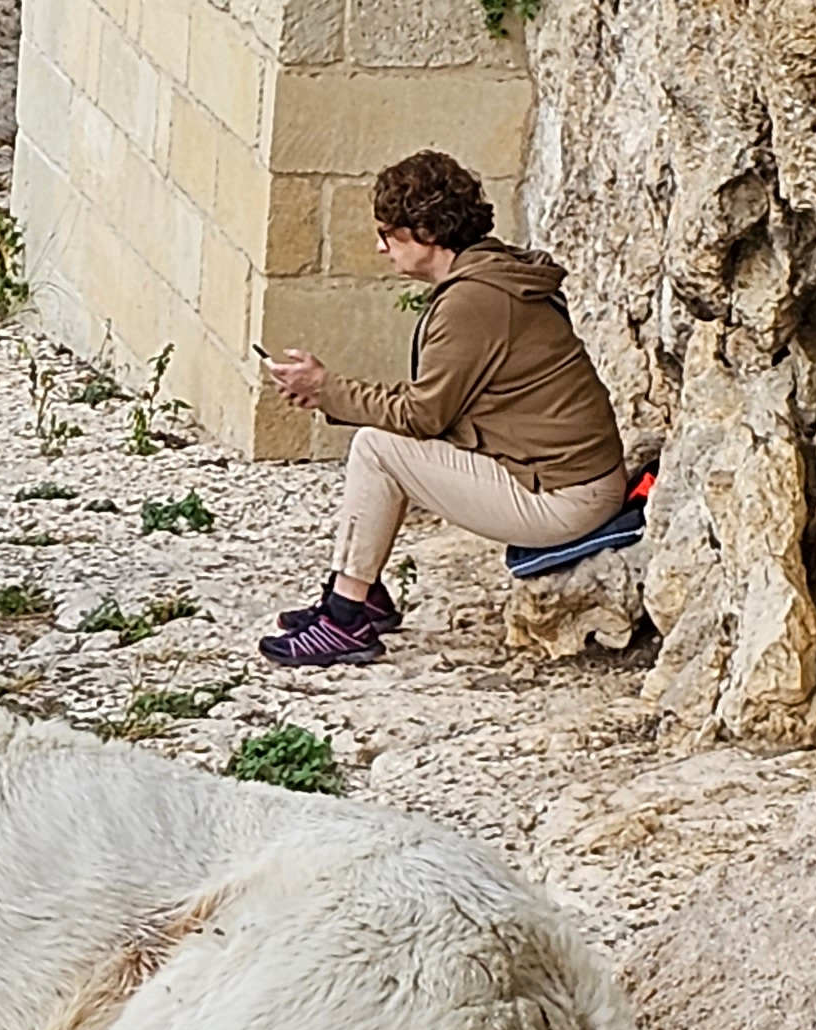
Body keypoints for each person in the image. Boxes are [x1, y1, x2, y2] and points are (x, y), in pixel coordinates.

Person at [254, 149, 631, 668]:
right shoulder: (491, 276)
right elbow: (434, 406)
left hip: (564, 498)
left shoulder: (472, 301)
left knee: (377, 448)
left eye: (388, 233)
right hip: (574, 478)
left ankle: (345, 620)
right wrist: (328, 393)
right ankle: (363, 595)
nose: (379, 246)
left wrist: (328, 390)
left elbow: (424, 416)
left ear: (425, 232)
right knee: (387, 445)